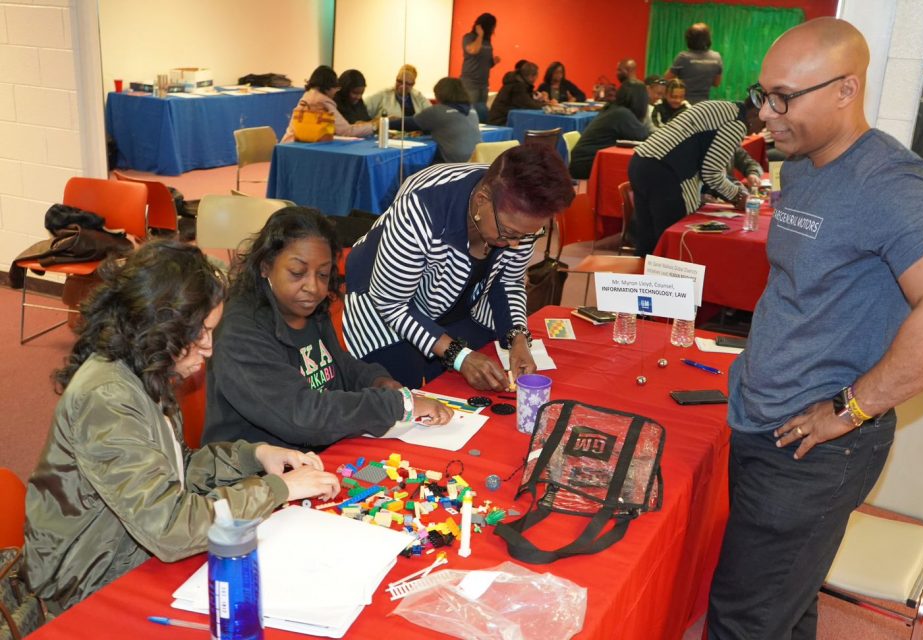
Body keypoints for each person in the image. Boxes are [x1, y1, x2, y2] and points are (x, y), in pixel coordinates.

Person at [709, 18, 923, 639]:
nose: (766, 113)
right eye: (762, 94)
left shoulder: (890, 183)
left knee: (744, 621)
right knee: (786, 605)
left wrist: (851, 409)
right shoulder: (803, 165)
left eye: (784, 98)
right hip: (766, 421)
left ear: (847, 90)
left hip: (813, 449)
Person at [22, 242, 342, 614]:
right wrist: (278, 489)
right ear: (162, 327)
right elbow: (169, 527)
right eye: (201, 333)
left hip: (130, 550)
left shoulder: (147, 367)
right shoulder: (107, 397)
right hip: (85, 584)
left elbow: (178, 467)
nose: (208, 348)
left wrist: (255, 455)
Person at [203, 207, 452, 451]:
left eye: (322, 274)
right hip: (259, 477)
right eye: (297, 272)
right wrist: (397, 406)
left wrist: (376, 380)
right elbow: (301, 416)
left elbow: (338, 365)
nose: (313, 287)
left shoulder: (308, 308)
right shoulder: (239, 332)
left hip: (323, 449)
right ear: (265, 265)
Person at [343, 145, 574, 390]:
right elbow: (392, 305)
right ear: (481, 200)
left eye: (526, 235)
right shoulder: (421, 209)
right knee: (401, 395)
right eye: (509, 233)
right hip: (384, 303)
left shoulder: (518, 210)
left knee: (465, 385)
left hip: (456, 298)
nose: (515, 244)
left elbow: (509, 281)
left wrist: (518, 338)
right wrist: (460, 356)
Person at [628, 96, 764, 255]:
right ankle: (666, 279)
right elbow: (711, 173)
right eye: (764, 123)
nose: (759, 131)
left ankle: (643, 277)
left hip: (642, 161)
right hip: (665, 172)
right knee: (672, 243)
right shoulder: (737, 123)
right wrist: (738, 196)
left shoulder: (724, 107)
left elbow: (706, 164)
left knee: (648, 240)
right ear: (755, 114)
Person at [569, 82, 652, 180]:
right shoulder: (622, 114)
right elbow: (645, 138)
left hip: (580, 163)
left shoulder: (613, 110)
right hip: (587, 166)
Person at [392, 77, 481, 163]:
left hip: (453, 165)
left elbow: (407, 124)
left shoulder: (438, 111)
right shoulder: (472, 110)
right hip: (476, 161)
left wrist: (384, 122)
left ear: (440, 94)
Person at [281, 65, 373, 143]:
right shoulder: (323, 101)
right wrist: (374, 126)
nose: (336, 91)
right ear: (328, 86)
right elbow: (346, 131)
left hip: (288, 144)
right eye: (335, 87)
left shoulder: (308, 95)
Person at [665, 22, 723, 103]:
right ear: (708, 39)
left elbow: (667, 80)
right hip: (703, 105)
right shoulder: (716, 57)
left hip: (682, 104)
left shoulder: (683, 57)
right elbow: (716, 83)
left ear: (689, 39)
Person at [461, 12, 500, 123]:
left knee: (481, 113)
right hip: (470, 83)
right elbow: (473, 50)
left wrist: (494, 62)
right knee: (470, 112)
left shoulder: (487, 41)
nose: (493, 30)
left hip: (484, 84)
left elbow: (486, 63)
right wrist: (480, 35)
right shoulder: (469, 37)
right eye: (493, 27)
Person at [488, 62, 548, 126]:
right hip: (501, 122)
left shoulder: (515, 83)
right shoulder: (518, 87)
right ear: (532, 76)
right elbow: (529, 105)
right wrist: (548, 106)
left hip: (500, 119)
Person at [364, 64, 431, 119]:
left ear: (413, 84)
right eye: (399, 81)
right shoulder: (383, 95)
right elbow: (362, 110)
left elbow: (431, 116)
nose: (402, 86)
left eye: (407, 83)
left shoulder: (419, 97)